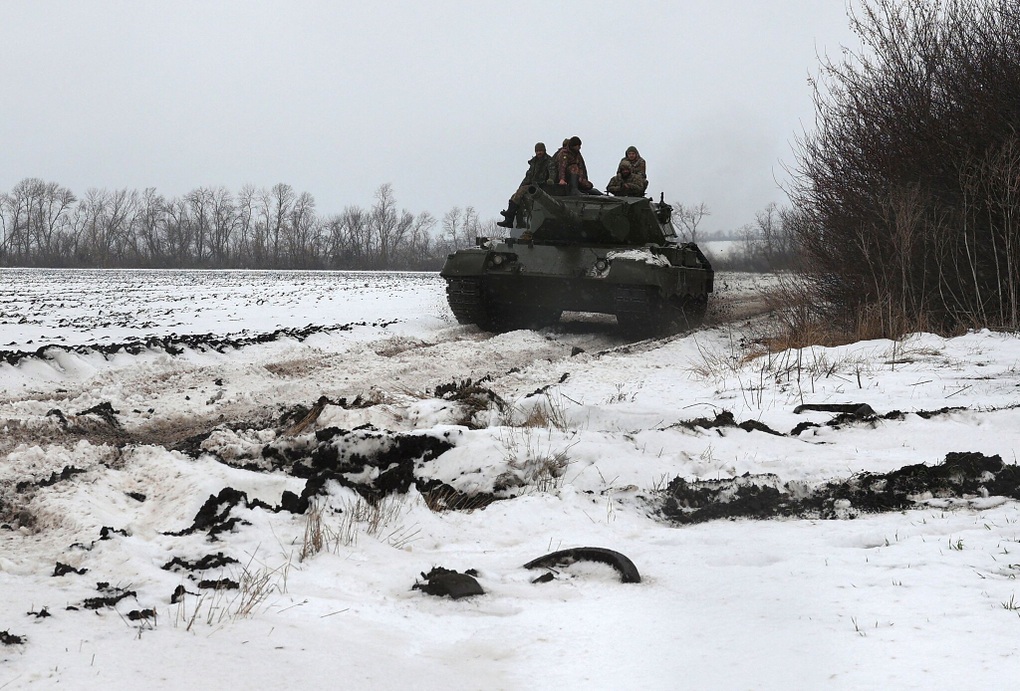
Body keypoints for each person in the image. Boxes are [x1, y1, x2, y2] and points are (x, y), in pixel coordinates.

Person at [498, 142, 555, 228]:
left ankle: (509, 213)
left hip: (541, 185)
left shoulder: (548, 161)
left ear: (544, 151)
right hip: (532, 184)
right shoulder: (534, 162)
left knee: (520, 193)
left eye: (540, 151)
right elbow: (528, 176)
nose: (539, 153)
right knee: (515, 196)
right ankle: (509, 220)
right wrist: (520, 187)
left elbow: (552, 171)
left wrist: (551, 179)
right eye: (537, 151)